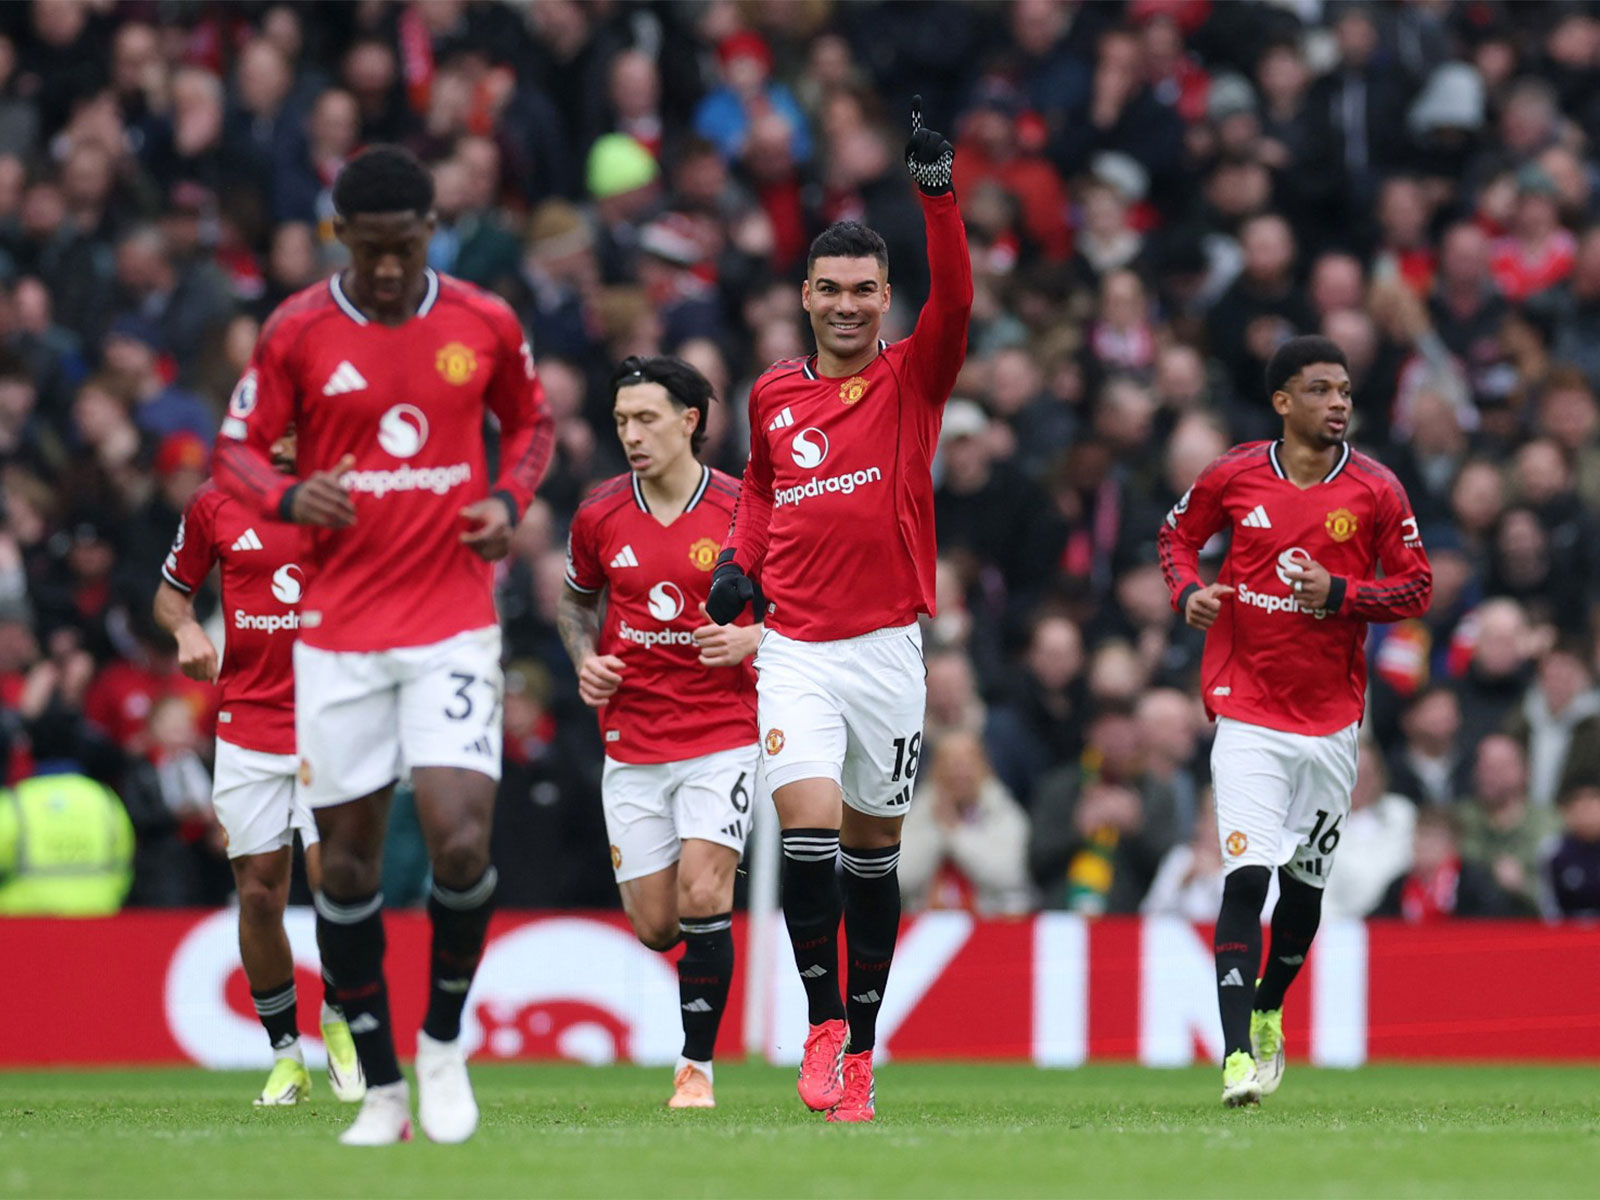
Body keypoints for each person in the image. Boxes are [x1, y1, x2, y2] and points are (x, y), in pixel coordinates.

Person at [214, 145, 554, 1146]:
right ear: (341, 240)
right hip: (339, 635)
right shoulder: (298, 331)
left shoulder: (483, 320)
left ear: (430, 232)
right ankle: (384, 1087)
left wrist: (508, 498)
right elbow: (233, 445)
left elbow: (529, 425)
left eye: (407, 248)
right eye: (373, 253)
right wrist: (280, 494)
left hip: (451, 620)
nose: (393, 270)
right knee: (348, 873)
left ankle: (444, 1040)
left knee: (459, 839)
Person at [705, 97, 972, 1123]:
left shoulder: (914, 376)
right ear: (805, 297)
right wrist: (740, 567)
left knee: (872, 859)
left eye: (867, 290)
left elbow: (953, 300)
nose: (851, 306)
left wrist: (935, 195)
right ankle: (820, 1030)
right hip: (797, 652)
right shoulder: (773, 395)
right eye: (833, 290)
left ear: (884, 297)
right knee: (806, 832)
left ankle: (863, 1047)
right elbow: (765, 489)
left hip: (887, 653)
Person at [1157, 334, 1432, 1107]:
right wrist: (1188, 594)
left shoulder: (1376, 491)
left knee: (1303, 891)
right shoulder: (1235, 475)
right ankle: (1237, 1055)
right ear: (1283, 402)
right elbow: (1176, 537)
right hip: (1246, 708)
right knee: (1244, 878)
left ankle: (1272, 1006)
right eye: (1320, 390)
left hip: (1333, 722)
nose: (1338, 403)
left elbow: (1416, 589)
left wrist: (1341, 595)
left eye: (1344, 390)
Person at [557, 355, 762, 1109]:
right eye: (620, 422)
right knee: (655, 924)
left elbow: (806, 610)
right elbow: (574, 606)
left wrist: (753, 641)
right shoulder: (600, 514)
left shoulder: (746, 511)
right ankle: (701, 959)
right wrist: (586, 662)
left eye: (646, 419)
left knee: (705, 885)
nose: (632, 435)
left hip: (723, 729)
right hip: (633, 738)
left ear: (690, 422)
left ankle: (695, 1071)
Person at [154, 426, 365, 1109]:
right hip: (248, 726)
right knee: (258, 893)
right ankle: (285, 1055)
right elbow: (170, 593)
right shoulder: (214, 504)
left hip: (332, 722)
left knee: (332, 876)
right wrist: (186, 629)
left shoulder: (356, 502)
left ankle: (340, 1017)